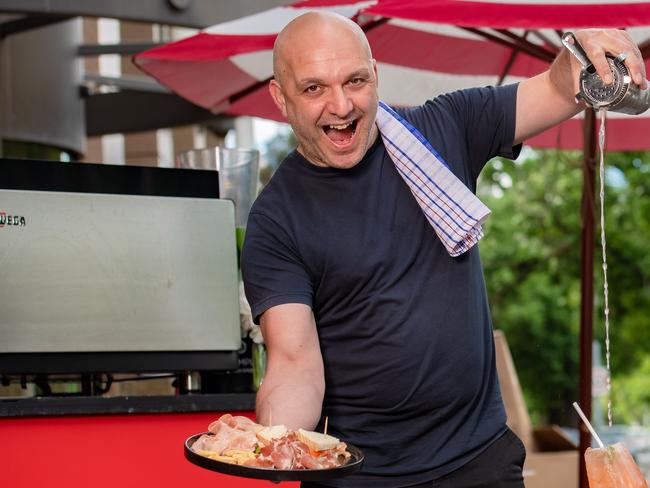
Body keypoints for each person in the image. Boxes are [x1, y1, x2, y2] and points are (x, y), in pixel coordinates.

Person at [241, 11, 646, 488]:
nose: (341, 104)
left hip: (479, 461)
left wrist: (576, 52)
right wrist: (277, 442)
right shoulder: (275, 221)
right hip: (362, 476)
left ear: (375, 74)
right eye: (313, 89)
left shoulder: (442, 131)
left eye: (354, 80)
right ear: (280, 96)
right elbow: (294, 362)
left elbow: (556, 89)